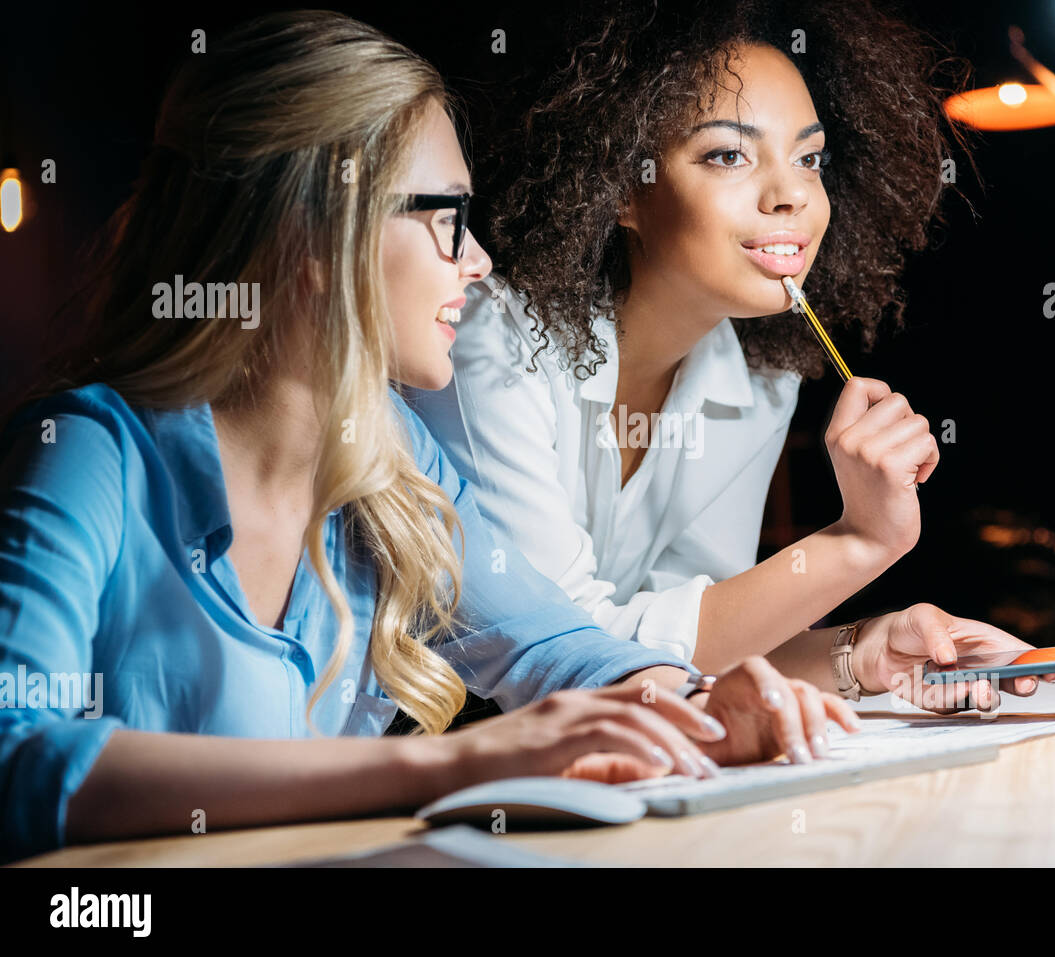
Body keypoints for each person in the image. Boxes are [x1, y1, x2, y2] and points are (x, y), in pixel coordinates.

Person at [0, 11, 861, 863]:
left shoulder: (393, 458)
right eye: (448, 217)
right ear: (315, 232)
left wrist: (699, 698)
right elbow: (15, 756)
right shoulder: (89, 454)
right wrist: (442, 762)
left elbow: (553, 646)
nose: (479, 259)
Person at [410, 0, 1055, 712]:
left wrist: (866, 649)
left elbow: (693, 643)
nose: (791, 197)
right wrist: (860, 540)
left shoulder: (760, 376)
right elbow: (573, 652)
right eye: (728, 154)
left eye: (809, 159)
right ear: (623, 185)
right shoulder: (485, 340)